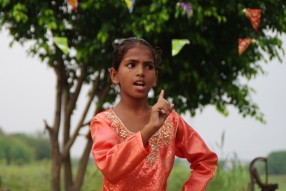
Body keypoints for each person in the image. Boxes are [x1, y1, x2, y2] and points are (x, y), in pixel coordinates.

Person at [90, 37, 218, 191]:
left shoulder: (170, 120)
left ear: (155, 77)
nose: (140, 72)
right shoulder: (104, 122)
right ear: (114, 75)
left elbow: (206, 160)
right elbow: (110, 169)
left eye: (148, 66)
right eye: (131, 65)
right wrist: (150, 129)